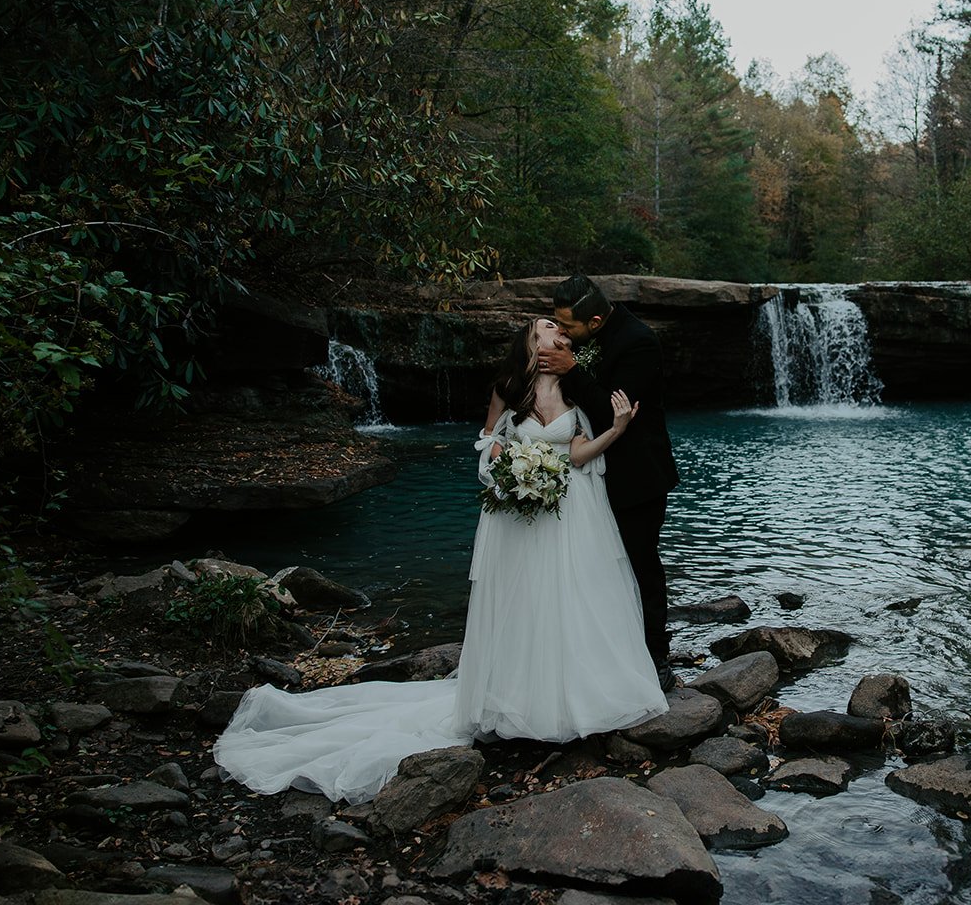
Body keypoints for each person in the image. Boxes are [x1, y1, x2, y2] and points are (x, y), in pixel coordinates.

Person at [212, 318, 667, 804]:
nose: (556, 330)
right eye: (544, 328)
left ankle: (576, 700)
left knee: (575, 598)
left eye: (559, 325)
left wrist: (617, 428)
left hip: (571, 512)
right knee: (526, 602)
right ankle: (516, 703)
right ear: (532, 345)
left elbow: (578, 454)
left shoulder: (579, 391)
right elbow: (488, 447)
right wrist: (509, 474)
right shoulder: (509, 392)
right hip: (521, 516)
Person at [539, 276, 680, 690]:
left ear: (596, 321)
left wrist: (572, 370)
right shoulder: (582, 335)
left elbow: (612, 415)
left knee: (640, 566)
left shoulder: (639, 342)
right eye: (556, 324)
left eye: (568, 327)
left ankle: (656, 656)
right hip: (585, 476)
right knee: (594, 567)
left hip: (636, 475)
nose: (562, 334)